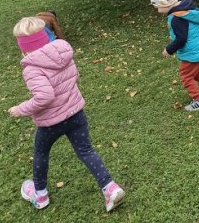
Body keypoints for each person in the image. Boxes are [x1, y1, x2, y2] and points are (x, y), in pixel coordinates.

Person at [9, 17, 125, 212]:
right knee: (86, 150)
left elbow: (44, 97)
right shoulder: (63, 53)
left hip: (50, 123)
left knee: (40, 153)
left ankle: (40, 195)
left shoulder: (31, 68)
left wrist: (20, 109)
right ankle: (110, 188)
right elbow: (75, 76)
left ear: (23, 48)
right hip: (76, 114)